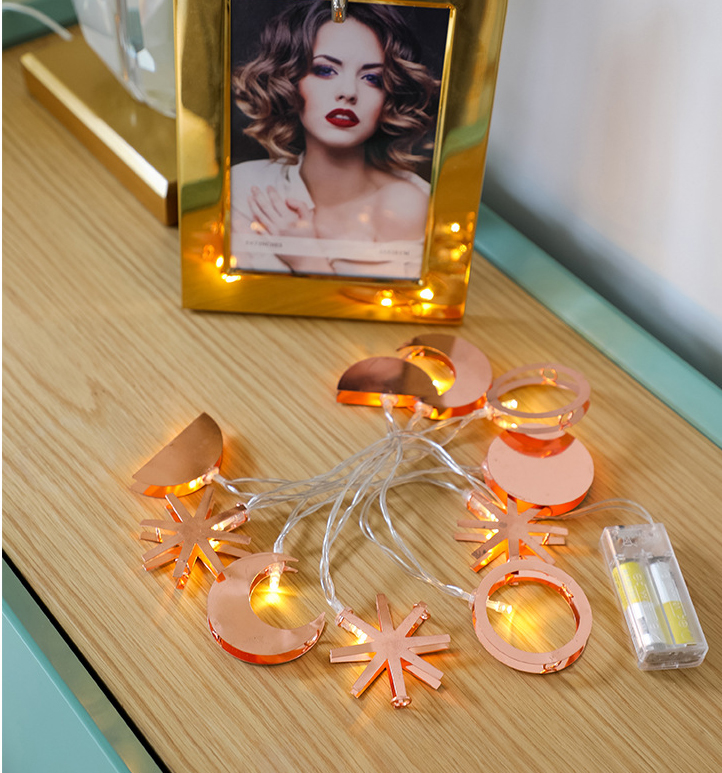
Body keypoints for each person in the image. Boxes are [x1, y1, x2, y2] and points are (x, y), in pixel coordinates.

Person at [230, 0, 439, 278]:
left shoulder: (403, 206)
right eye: (326, 70)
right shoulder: (247, 187)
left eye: (372, 78)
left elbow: (391, 303)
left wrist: (307, 259)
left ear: (389, 96)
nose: (349, 92)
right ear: (290, 80)